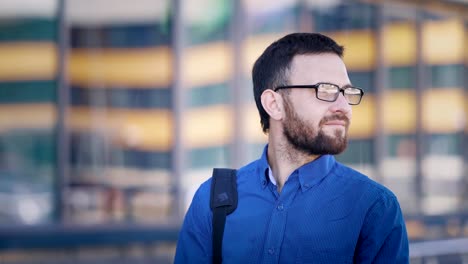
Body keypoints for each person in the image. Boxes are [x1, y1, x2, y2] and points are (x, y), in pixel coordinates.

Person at [174, 33, 409, 263]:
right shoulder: (211, 199)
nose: (343, 106)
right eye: (325, 90)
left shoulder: (375, 207)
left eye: (346, 92)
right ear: (274, 104)